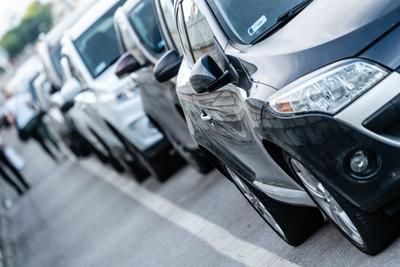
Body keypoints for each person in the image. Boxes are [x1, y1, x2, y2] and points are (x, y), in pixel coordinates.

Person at [3, 90, 61, 162]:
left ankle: (53, 156)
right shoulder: (20, 96)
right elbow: (30, 104)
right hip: (33, 118)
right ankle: (59, 150)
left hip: (25, 126)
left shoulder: (7, 106)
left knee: (40, 142)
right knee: (46, 135)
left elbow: (11, 120)